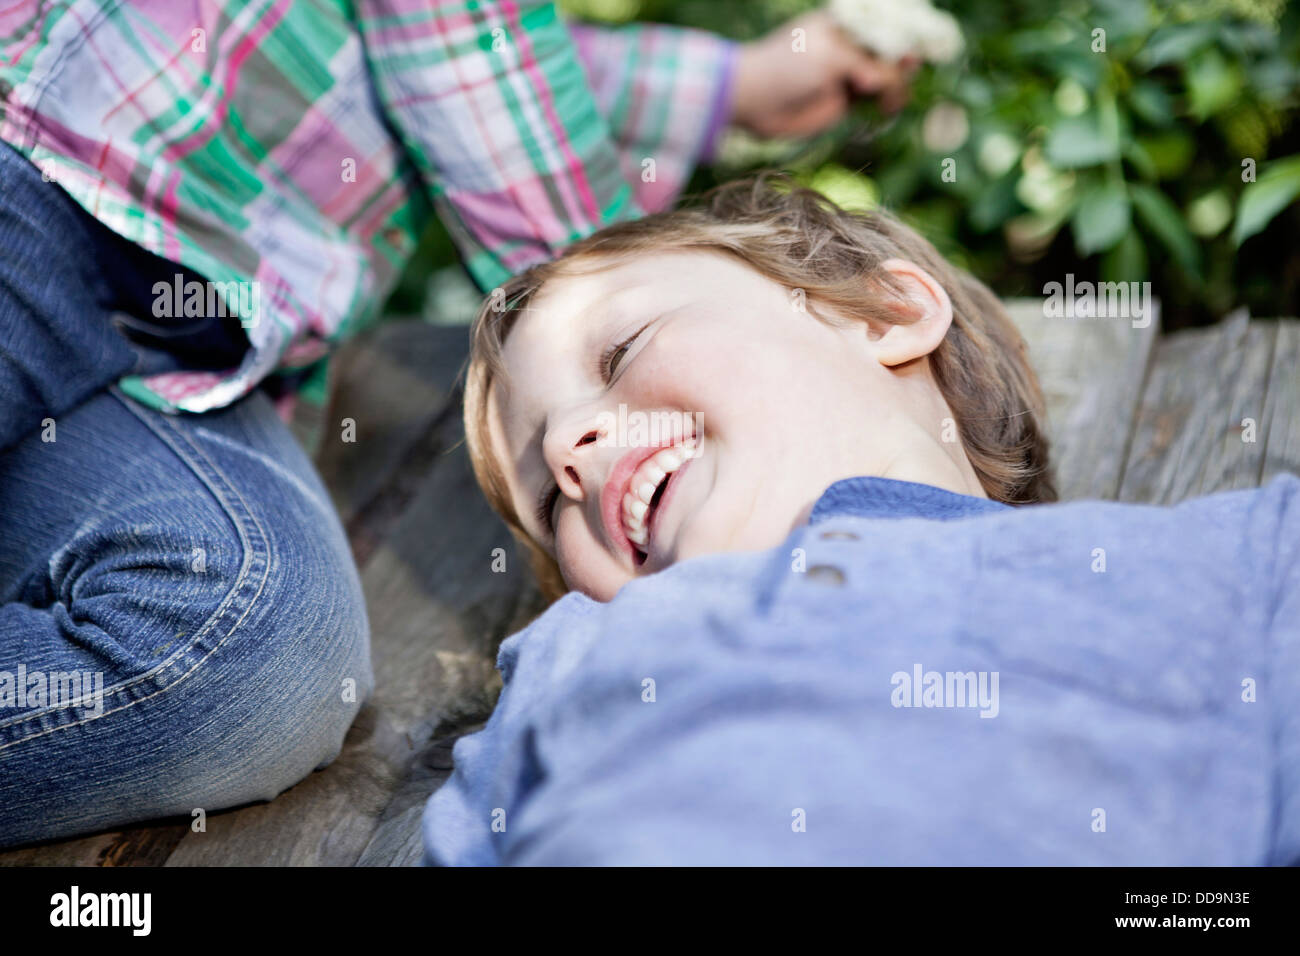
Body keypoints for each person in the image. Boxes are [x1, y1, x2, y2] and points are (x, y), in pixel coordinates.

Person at [0, 2, 911, 847]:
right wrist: (607, 286)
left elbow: (467, 53)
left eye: (549, 511)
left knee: (251, 654)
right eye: (621, 349)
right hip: (41, 176)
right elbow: (455, 36)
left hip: (183, 348)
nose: (564, 450)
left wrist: (730, 84)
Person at [422, 175, 1300, 865]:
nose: (572, 450)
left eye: (619, 352)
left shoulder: (1205, 564)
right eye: (547, 500)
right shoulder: (577, 654)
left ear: (886, 313)